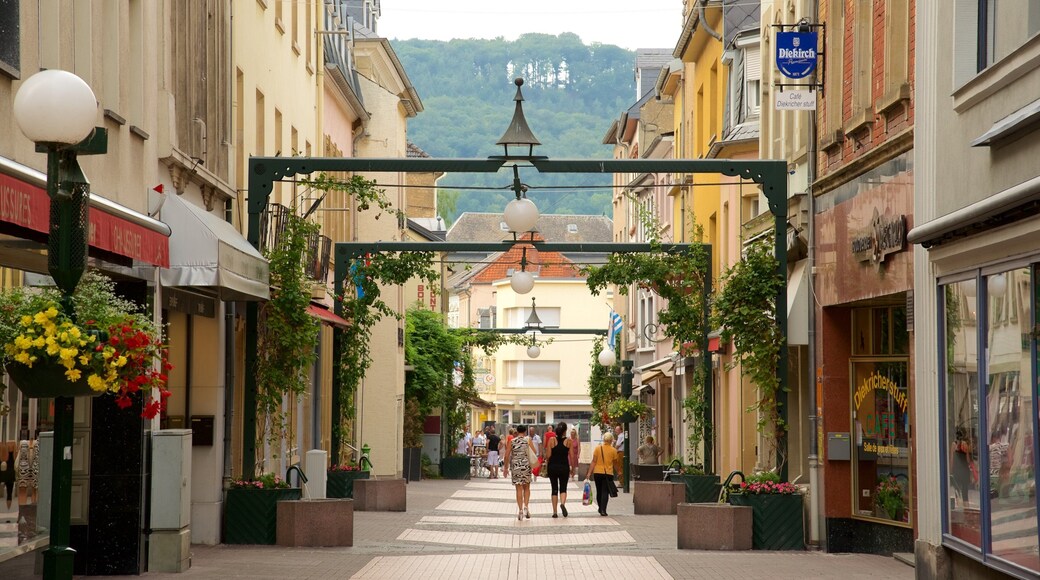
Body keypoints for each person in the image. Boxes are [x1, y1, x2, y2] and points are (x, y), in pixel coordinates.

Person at [503, 424, 536, 520]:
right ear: (525, 432)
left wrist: (505, 468)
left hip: (516, 466)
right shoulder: (528, 440)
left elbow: (506, 455)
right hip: (526, 466)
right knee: (527, 487)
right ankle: (526, 506)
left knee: (518, 489)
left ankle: (520, 510)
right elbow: (534, 452)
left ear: (517, 432)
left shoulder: (512, 441)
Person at [586, 432, 620, 516]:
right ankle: (603, 510)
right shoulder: (613, 450)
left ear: (604, 439)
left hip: (597, 473)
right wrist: (619, 472)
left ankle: (600, 507)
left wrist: (589, 473)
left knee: (599, 491)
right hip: (608, 473)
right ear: (611, 440)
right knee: (605, 492)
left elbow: (593, 461)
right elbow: (615, 463)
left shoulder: (598, 448)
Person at [544, 421, 572, 517]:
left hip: (553, 467)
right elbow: (572, 456)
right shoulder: (569, 441)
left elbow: (548, 455)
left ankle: (555, 512)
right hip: (564, 466)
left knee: (554, 488)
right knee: (563, 487)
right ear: (565, 431)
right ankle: (563, 504)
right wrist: (572, 468)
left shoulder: (552, 440)